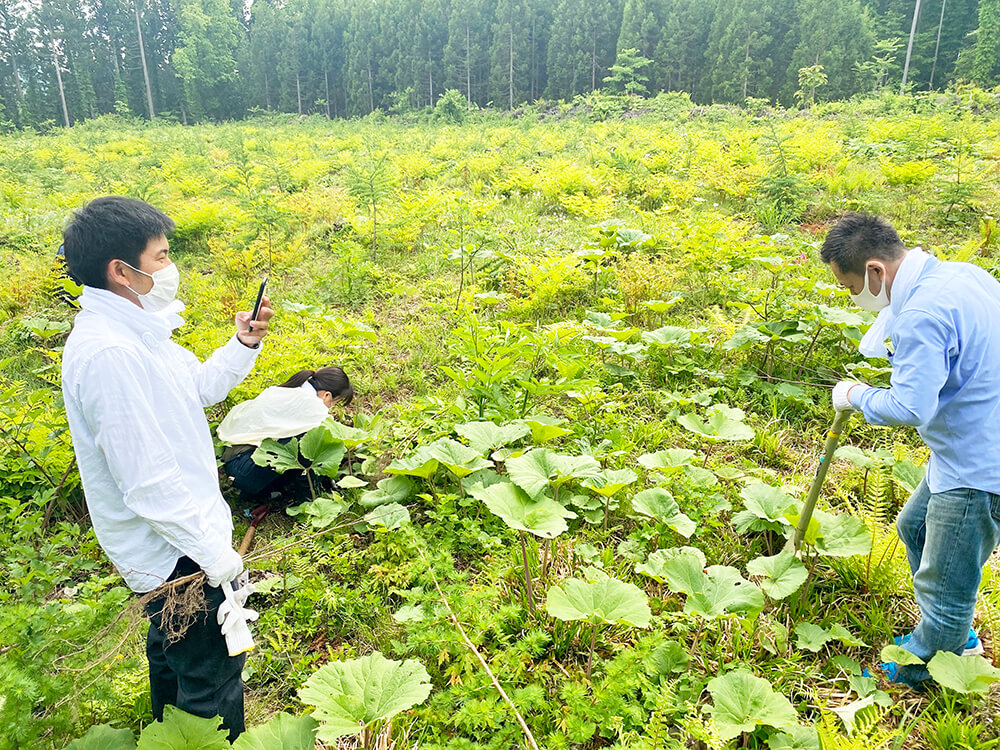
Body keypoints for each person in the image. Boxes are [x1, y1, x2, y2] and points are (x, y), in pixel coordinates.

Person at [60, 196, 273, 740]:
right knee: (212, 673)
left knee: (172, 657)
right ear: (121, 272)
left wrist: (244, 343)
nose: (169, 267)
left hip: (178, 540)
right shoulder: (110, 354)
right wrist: (215, 556)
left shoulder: (140, 333)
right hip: (173, 548)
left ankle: (166, 735)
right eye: (160, 257)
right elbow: (147, 483)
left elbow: (196, 388)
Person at [822, 212, 1000, 688]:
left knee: (943, 588)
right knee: (914, 524)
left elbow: (909, 406)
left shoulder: (921, 313)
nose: (851, 297)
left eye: (850, 287)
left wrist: (856, 395)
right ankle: (953, 629)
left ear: (876, 271)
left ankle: (929, 659)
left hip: (980, 466)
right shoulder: (963, 275)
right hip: (972, 438)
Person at [218, 367, 354, 501]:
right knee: (312, 441)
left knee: (298, 444)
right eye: (335, 403)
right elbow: (332, 433)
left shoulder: (292, 389)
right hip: (244, 467)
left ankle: (269, 492)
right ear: (327, 396)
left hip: (235, 458)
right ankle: (306, 499)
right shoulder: (313, 406)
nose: (331, 407)